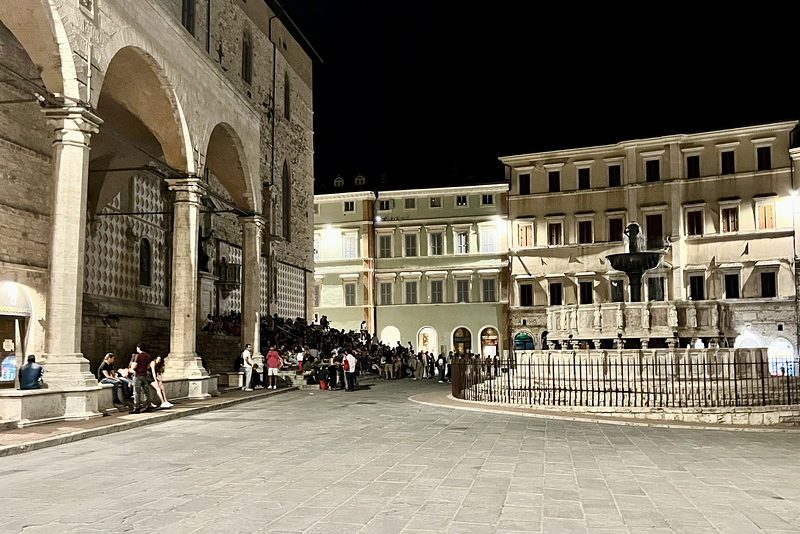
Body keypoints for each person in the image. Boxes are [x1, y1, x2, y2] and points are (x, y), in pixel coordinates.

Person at [130, 343, 155, 413]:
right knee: (146, 392)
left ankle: (137, 408)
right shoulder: (148, 356)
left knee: (136, 392)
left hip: (138, 375)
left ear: (138, 348)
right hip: (145, 375)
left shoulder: (138, 356)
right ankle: (148, 406)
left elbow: (134, 366)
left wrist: (133, 368)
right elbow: (149, 365)